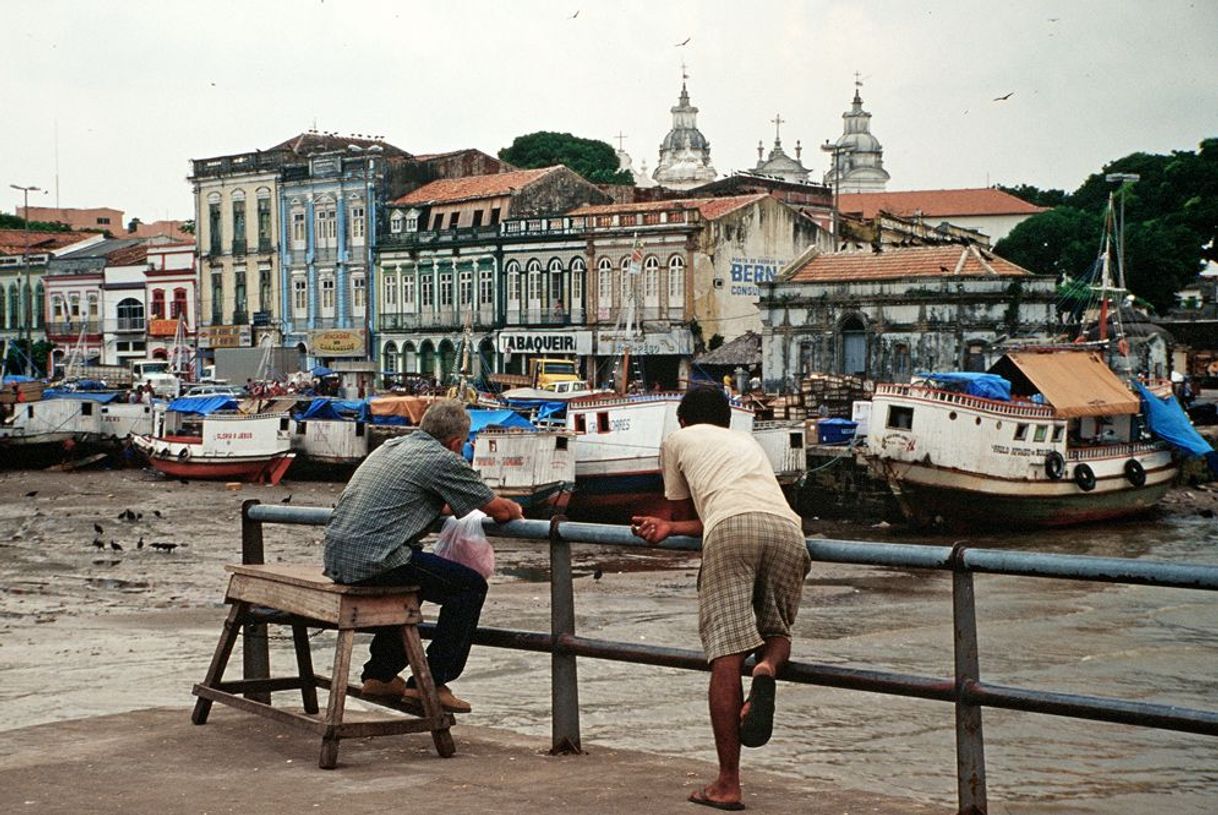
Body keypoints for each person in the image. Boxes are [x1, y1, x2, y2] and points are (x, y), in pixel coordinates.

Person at [632, 387, 811, 811]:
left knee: (726, 655)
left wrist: (668, 527)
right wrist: (677, 529)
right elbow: (723, 509)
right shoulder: (745, 442)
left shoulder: (677, 441)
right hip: (788, 529)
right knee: (776, 631)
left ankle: (728, 783)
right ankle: (766, 668)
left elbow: (689, 513)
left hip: (731, 530)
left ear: (682, 420)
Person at [323, 399, 524, 713]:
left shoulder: (392, 446)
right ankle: (431, 680)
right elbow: (499, 510)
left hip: (338, 558)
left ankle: (380, 674)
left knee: (414, 584)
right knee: (469, 587)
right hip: (376, 559)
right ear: (456, 442)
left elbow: (425, 501)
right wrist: (515, 509)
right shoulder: (443, 459)